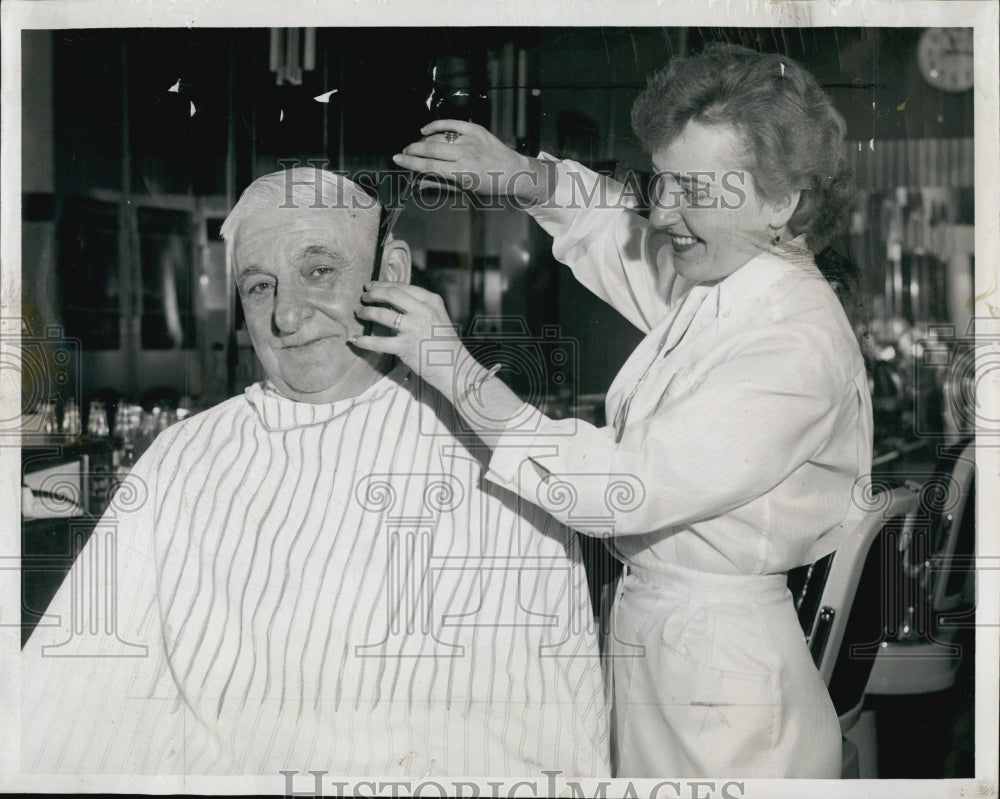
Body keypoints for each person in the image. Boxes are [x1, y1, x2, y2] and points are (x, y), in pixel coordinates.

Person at [354, 43, 874, 778]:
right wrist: (525, 178)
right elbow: (616, 236)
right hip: (675, 654)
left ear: (781, 202)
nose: (664, 213)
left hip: (724, 694)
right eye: (663, 182)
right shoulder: (731, 283)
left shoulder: (794, 343)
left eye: (694, 190)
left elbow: (619, 486)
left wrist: (450, 365)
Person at [20, 168, 610, 777]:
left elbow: (553, 732)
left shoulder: (497, 461)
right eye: (258, 286)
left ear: (394, 274)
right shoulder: (182, 459)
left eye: (319, 271)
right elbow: (69, 698)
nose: (285, 316)